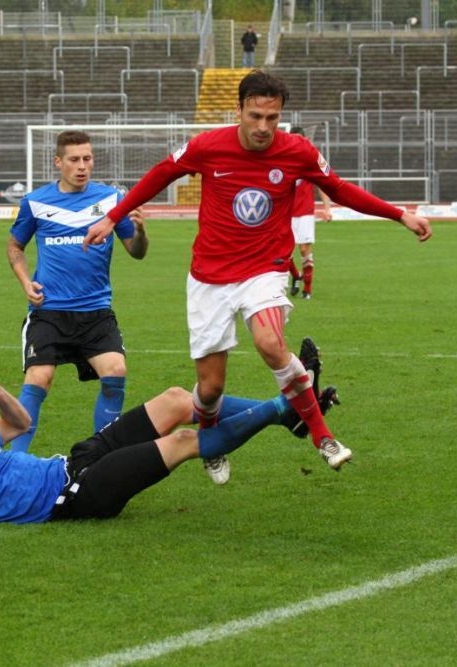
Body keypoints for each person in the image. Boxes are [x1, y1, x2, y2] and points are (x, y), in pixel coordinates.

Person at [83, 69, 432, 482]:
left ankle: (323, 436)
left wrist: (399, 214)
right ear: (239, 111)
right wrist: (114, 216)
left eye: (273, 118)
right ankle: (211, 440)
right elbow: (162, 173)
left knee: (270, 342)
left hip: (263, 270)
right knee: (209, 391)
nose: (264, 127)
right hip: (209, 277)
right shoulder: (208, 146)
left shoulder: (298, 151)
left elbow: (338, 189)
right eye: (255, 117)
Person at [0, 362, 326, 528]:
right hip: (77, 498)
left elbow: (20, 424)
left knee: (175, 400)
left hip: (75, 461)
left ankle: (289, 416)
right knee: (186, 441)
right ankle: (288, 406)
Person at [6, 130, 148, 453]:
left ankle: (102, 457)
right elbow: (15, 246)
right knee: (38, 379)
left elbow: (137, 251)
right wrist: (25, 282)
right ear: (58, 162)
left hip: (95, 312)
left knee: (116, 371)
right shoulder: (36, 202)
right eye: (74, 159)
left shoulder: (112, 201)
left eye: (87, 159)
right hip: (49, 312)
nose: (82, 166)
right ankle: (14, 464)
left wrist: (140, 231)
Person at [287, 129, 333, 299]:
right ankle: (296, 275)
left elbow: (322, 185)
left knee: (304, 249)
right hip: (286, 214)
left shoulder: (309, 160)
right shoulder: (282, 159)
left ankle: (307, 288)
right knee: (283, 252)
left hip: (305, 212)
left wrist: (327, 209)